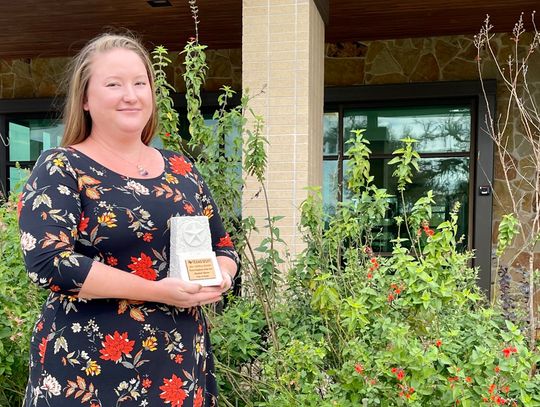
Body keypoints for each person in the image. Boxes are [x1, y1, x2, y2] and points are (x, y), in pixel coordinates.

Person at [18, 33, 238, 407]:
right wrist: (156, 291)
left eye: (140, 83)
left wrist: (221, 277)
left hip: (178, 364)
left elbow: (222, 246)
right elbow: (48, 263)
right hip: (88, 367)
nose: (131, 95)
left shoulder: (182, 170)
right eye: (114, 84)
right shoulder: (62, 166)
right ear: (86, 99)